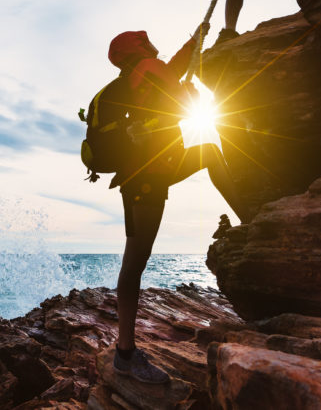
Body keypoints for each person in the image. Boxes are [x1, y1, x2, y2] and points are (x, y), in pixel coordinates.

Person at [105, 24, 253, 384]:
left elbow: (171, 70)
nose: (150, 40)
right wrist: (187, 90)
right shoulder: (148, 69)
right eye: (144, 39)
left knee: (210, 153)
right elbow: (180, 92)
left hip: (145, 174)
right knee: (135, 262)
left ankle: (125, 352)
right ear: (137, 48)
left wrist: (195, 39)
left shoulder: (136, 74)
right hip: (147, 177)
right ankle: (124, 354)